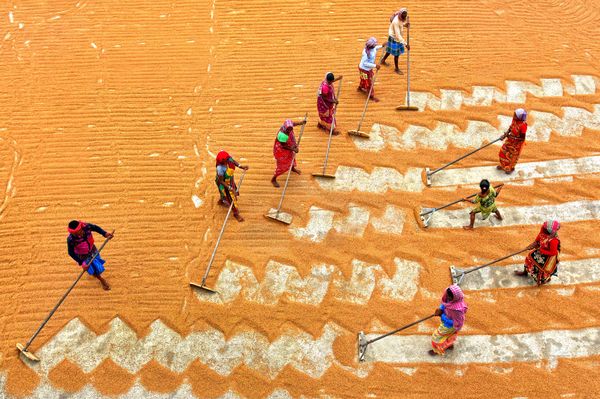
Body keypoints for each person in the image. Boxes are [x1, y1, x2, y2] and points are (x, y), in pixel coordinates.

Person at [67, 220, 114, 291]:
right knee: (93, 268)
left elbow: (95, 228)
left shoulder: (87, 226)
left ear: (81, 228)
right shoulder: (71, 239)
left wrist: (105, 233)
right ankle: (101, 279)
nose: (76, 235)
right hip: (82, 256)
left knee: (97, 265)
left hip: (93, 249)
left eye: (77, 232)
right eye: (74, 233)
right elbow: (71, 253)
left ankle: (96, 274)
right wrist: (81, 262)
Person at [515, 220, 561, 285]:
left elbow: (553, 253)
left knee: (542, 269)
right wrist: (532, 245)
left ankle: (544, 279)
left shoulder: (554, 240)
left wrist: (542, 251)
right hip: (541, 251)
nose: (543, 227)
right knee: (529, 257)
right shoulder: (543, 231)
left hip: (548, 257)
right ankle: (525, 272)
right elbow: (538, 240)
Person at [430, 284, 467, 356]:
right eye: (448, 295)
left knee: (436, 337)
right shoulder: (449, 295)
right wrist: (441, 309)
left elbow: (455, 322)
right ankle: (449, 344)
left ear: (455, 298)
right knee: (449, 335)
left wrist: (442, 316)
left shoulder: (457, 310)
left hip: (449, 326)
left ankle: (437, 350)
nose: (448, 297)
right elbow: (445, 302)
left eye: (450, 297)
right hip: (447, 321)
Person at [215, 150, 249, 222]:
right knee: (231, 198)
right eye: (227, 160)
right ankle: (236, 213)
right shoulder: (220, 168)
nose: (229, 160)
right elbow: (221, 181)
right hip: (224, 183)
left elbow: (232, 161)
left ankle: (222, 200)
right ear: (223, 161)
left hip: (229, 180)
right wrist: (230, 189)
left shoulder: (227, 158)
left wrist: (241, 166)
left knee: (224, 194)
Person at [271, 118, 306, 187]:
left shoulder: (288, 125)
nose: (289, 131)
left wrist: (301, 123)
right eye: (288, 130)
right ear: (285, 128)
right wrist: (293, 149)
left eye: (290, 129)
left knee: (291, 157)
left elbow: (293, 124)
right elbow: (283, 146)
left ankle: (292, 168)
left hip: (289, 147)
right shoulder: (282, 135)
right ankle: (273, 179)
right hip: (281, 151)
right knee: (282, 166)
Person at [498, 108, 527, 174]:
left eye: (515, 115)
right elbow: (511, 128)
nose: (514, 115)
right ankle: (503, 166)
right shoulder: (514, 120)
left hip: (517, 144)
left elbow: (522, 138)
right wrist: (505, 135)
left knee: (513, 157)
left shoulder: (523, 125)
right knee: (502, 152)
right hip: (510, 141)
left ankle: (510, 168)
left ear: (519, 116)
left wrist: (511, 137)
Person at [381, 8, 410, 75]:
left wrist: (404, 24)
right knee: (396, 54)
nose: (404, 17)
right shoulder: (395, 22)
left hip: (396, 37)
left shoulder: (400, 17)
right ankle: (396, 69)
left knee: (389, 50)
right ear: (401, 15)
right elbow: (398, 35)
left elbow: (401, 23)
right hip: (394, 38)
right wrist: (405, 44)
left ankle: (383, 60)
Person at [358, 37, 384, 102]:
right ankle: (371, 96)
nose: (375, 46)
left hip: (367, 69)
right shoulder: (366, 53)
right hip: (364, 69)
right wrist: (375, 66)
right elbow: (365, 63)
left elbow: (375, 48)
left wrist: (382, 46)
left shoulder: (372, 48)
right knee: (369, 82)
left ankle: (360, 87)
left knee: (364, 79)